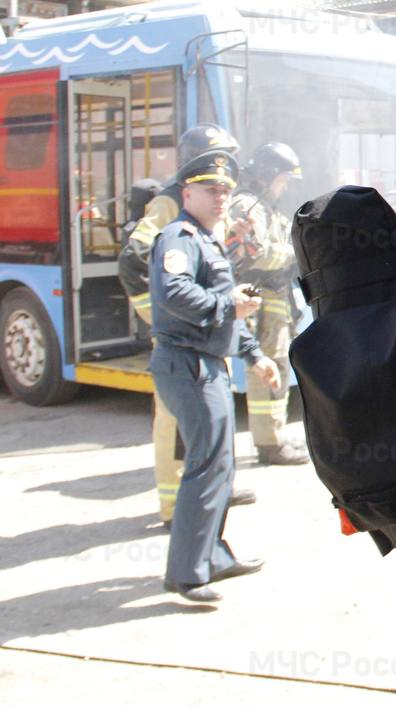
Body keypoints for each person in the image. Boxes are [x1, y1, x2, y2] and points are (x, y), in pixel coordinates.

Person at [149, 150, 281, 603]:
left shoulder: (206, 241)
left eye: (226, 190)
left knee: (220, 465)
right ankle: (187, 573)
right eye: (211, 190)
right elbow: (174, 293)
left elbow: (225, 305)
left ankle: (214, 556)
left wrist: (254, 354)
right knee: (206, 466)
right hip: (186, 364)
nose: (221, 197)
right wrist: (230, 307)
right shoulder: (179, 237)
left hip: (207, 365)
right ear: (187, 194)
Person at [119, 124, 258, 525]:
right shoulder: (169, 202)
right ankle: (172, 505)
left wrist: (232, 239)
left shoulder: (206, 200)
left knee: (211, 414)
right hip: (184, 331)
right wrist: (158, 313)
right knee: (174, 416)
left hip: (208, 324)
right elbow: (135, 257)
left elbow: (203, 263)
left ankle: (214, 490)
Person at [227, 142, 309, 466]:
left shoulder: (268, 207)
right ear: (268, 174)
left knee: (276, 364)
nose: (285, 184)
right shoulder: (247, 207)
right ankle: (270, 443)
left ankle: (272, 437)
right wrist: (295, 254)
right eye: (283, 177)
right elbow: (254, 251)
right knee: (268, 367)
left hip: (274, 298)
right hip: (260, 297)